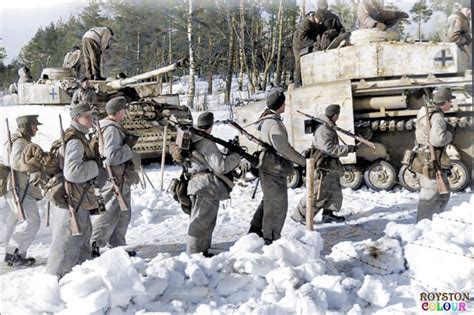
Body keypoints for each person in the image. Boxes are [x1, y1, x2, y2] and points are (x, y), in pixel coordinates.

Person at [46, 102, 100, 278]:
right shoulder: (75, 141)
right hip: (74, 198)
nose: (91, 120)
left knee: (81, 240)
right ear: (77, 119)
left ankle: (79, 281)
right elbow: (73, 172)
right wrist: (95, 166)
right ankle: (55, 285)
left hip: (78, 197)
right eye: (88, 117)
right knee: (66, 245)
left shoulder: (76, 137)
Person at [248, 88, 306, 244]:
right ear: (280, 104)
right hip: (273, 168)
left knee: (269, 200)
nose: (285, 105)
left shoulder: (268, 120)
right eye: (284, 102)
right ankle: (271, 238)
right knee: (277, 204)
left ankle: (255, 230)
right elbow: (284, 149)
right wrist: (303, 161)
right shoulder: (274, 124)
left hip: (268, 166)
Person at [90, 96, 140, 258]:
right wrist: (128, 148)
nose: (125, 113)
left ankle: (117, 246)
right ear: (119, 112)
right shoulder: (111, 129)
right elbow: (110, 157)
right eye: (124, 110)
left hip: (121, 177)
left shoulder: (112, 126)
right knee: (110, 213)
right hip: (114, 179)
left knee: (123, 214)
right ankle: (94, 244)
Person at [186, 112, 241, 257]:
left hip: (195, 184)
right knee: (201, 223)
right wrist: (236, 156)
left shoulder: (193, 139)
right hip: (206, 186)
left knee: (204, 222)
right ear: (210, 126)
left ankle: (201, 253)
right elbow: (220, 167)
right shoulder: (206, 142)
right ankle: (194, 256)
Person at [291, 104, 355, 225]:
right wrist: (347, 149)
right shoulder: (323, 129)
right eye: (338, 114)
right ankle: (299, 215)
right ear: (335, 115)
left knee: (334, 190)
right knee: (317, 192)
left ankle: (328, 214)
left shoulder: (328, 126)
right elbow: (328, 148)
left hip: (330, 165)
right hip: (323, 165)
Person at [3, 115, 43, 266]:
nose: (37, 128)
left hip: (17, 188)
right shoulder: (20, 141)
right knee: (32, 221)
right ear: (26, 126)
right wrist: (35, 164)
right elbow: (15, 162)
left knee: (17, 222)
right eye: (34, 125)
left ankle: (14, 254)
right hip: (19, 189)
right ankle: (14, 253)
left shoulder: (19, 140)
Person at [412, 87, 454, 222]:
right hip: (431, 159)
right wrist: (450, 134)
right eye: (450, 101)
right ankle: (422, 224)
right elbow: (438, 140)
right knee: (429, 194)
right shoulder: (437, 117)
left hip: (422, 156)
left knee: (443, 194)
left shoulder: (424, 110)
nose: (451, 104)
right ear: (444, 102)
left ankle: (433, 220)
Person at [292, 11, 324, 87]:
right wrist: (313, 43)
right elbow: (301, 37)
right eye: (319, 20)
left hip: (308, 43)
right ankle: (297, 84)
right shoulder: (306, 22)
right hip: (299, 45)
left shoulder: (317, 24)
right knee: (299, 62)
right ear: (314, 17)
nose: (320, 22)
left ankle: (309, 80)